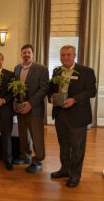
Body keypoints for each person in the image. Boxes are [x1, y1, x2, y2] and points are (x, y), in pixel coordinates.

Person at [49, 45, 96, 188]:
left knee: (77, 148)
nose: (65, 57)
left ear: (74, 55)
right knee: (63, 145)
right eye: (63, 55)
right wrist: (50, 98)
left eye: (68, 54)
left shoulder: (86, 71)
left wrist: (74, 99)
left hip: (78, 116)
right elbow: (51, 89)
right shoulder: (57, 71)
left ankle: (75, 175)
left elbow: (91, 91)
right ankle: (65, 170)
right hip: (60, 114)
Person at [13, 44, 49, 174]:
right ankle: (25, 156)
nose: (26, 55)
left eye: (28, 52)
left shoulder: (42, 69)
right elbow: (16, 88)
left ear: (33, 54)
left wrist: (30, 104)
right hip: (20, 108)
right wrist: (15, 102)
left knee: (37, 136)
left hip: (35, 109)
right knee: (23, 134)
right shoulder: (17, 68)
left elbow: (44, 88)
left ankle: (38, 160)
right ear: (21, 54)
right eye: (24, 53)